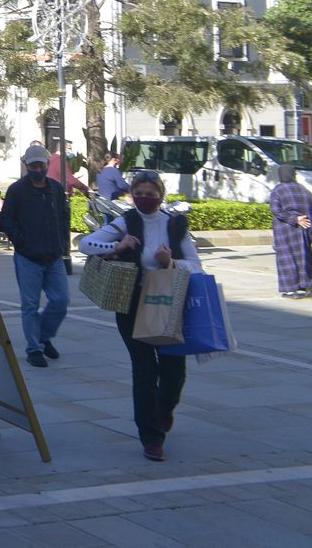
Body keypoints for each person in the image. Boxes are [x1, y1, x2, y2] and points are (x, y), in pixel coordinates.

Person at [77, 171, 203, 462]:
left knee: (174, 371)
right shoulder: (126, 221)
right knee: (144, 371)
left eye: (151, 193)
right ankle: (151, 436)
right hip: (133, 304)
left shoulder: (175, 225)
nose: (145, 199)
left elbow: (196, 265)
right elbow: (86, 244)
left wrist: (169, 262)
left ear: (161, 195)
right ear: (131, 194)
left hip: (170, 302)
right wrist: (116, 246)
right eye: (139, 193)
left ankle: (163, 410)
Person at [1, 144, 71, 367]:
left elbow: (63, 216)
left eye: (41, 165)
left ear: (47, 165)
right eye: (33, 166)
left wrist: (62, 243)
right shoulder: (17, 190)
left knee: (61, 300)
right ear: (26, 166)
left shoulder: (56, 189)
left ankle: (43, 336)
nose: (37, 169)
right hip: (28, 256)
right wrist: (20, 241)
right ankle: (34, 349)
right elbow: (7, 221)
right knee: (30, 304)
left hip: (53, 255)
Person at [269, 163, 312, 296]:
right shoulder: (304, 190)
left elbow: (276, 210)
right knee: (304, 257)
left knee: (287, 258)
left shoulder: (278, 190)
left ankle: (290, 289)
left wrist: (294, 219)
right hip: (305, 229)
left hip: (285, 230)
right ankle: (309, 285)